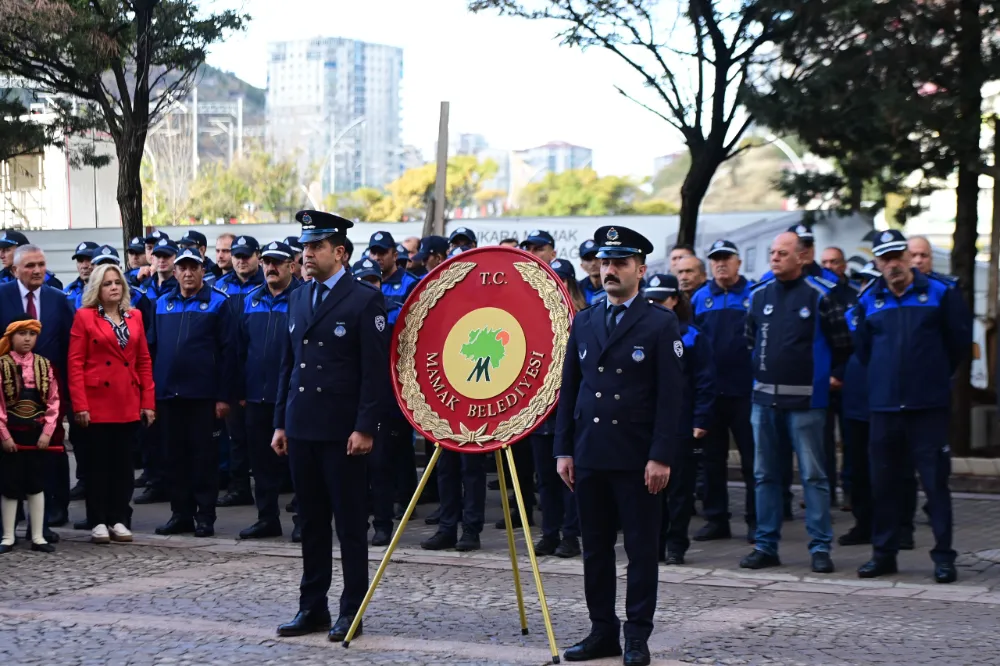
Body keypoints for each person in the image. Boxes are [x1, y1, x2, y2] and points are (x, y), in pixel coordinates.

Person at [555, 225, 683, 666]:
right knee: (595, 548)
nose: (610, 270)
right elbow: (569, 389)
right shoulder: (585, 320)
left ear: (640, 270)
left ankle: (637, 636)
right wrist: (563, 449)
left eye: (620, 263)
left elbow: (671, 397)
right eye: (605, 262)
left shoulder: (660, 323)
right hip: (591, 452)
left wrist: (661, 455)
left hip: (636, 456)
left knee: (641, 550)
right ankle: (602, 631)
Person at [273, 210, 390, 642]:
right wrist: (280, 423)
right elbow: (289, 366)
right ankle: (312, 606)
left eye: (316, 246)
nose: (306, 254)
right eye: (305, 246)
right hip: (303, 426)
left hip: (343, 432)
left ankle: (351, 610)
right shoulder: (298, 297)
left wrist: (366, 427)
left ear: (339, 252)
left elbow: (374, 372)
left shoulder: (363, 299)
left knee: (350, 525)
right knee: (311, 522)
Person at [853, 230, 970, 584]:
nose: (893, 264)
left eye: (897, 256)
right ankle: (884, 554)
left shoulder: (940, 292)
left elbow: (958, 343)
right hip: (885, 408)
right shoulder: (868, 299)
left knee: (935, 484)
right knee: (884, 484)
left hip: (927, 408)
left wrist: (931, 378)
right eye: (885, 259)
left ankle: (944, 557)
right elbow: (864, 351)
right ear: (877, 263)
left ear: (908, 257)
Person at [740, 231, 853, 574]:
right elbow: (750, 340)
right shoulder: (758, 295)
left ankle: (820, 547)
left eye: (783, 253)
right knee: (765, 476)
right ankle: (765, 546)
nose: (775, 258)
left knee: (814, 477)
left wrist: (832, 377)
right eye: (772, 252)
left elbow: (843, 344)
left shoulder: (821, 295)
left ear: (802, 257)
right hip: (764, 401)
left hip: (807, 402)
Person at [150, 247, 236, 538]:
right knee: (174, 458)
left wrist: (223, 396)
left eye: (193, 268)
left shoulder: (219, 302)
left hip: (204, 397)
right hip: (168, 396)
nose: (188, 273)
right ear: (175, 272)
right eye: (183, 268)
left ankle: (205, 516)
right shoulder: (162, 303)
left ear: (203, 271)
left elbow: (229, 353)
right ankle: (181, 514)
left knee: (204, 459)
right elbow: (152, 349)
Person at [68, 263, 154, 545]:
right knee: (98, 466)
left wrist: (148, 401)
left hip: (127, 399)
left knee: (123, 466)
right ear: (97, 288)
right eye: (107, 283)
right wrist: (80, 405)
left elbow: (143, 361)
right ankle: (98, 520)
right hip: (96, 402)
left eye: (117, 282)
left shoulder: (135, 315)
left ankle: (119, 518)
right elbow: (75, 363)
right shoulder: (84, 317)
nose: (114, 287)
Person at [0, 245, 74, 539]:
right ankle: (9, 524)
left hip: (49, 393)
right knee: (9, 458)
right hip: (8, 394)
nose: (37, 270)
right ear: (14, 269)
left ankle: (48, 518)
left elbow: (69, 346)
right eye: (30, 265)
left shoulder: (58, 299)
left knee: (50, 454)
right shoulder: (2, 295)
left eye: (41, 264)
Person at [644, 274, 714, 565]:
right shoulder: (640, 332)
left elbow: (704, 381)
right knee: (649, 490)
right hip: (645, 424)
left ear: (674, 300)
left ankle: (676, 545)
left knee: (679, 490)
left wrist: (700, 419)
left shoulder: (692, 335)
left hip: (681, 423)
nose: (654, 304)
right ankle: (654, 544)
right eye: (649, 299)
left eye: (660, 300)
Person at [690, 239, 756, 543]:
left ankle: (756, 522)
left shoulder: (753, 294)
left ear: (738, 262)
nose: (721, 264)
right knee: (712, 461)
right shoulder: (700, 298)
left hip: (746, 392)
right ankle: (716, 519)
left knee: (752, 461)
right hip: (712, 394)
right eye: (716, 259)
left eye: (726, 259)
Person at [235, 241, 300, 541]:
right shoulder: (250, 299)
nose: (271, 268)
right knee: (261, 463)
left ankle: (304, 520)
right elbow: (239, 348)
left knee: (299, 464)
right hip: (257, 395)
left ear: (291, 266)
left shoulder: (302, 298)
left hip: (293, 396)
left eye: (277, 262)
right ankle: (266, 518)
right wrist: (239, 390)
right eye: (267, 262)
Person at [352, 258, 412, 546]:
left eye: (373, 281)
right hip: (353, 398)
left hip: (385, 400)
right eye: (364, 281)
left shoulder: (395, 311)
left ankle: (383, 524)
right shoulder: (347, 310)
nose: (369, 286)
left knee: (380, 466)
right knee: (354, 469)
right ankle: (357, 522)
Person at [0, 318, 61, 554]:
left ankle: (38, 536)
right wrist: (4, 435)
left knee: (37, 484)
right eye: (22, 333)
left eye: (32, 334)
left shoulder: (44, 365)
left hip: (37, 436)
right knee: (9, 484)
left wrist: (47, 432)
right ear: (11, 336)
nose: (27, 339)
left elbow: (53, 402)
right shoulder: (2, 365)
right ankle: (7, 536)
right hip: (11, 435)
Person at [838, 262, 880, 548]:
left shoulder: (885, 313)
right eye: (862, 281)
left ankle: (897, 526)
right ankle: (863, 524)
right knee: (857, 468)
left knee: (887, 468)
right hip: (853, 402)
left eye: (870, 281)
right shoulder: (852, 313)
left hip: (883, 402)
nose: (864, 286)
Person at [366, 231, 419, 300]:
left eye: (382, 252)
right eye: (373, 252)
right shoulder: (364, 281)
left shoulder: (410, 283)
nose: (376, 257)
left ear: (395, 256)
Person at [63, 242, 99, 307]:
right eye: (80, 260)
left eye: (89, 259)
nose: (84, 266)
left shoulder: (110, 289)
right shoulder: (67, 292)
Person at [577, 240, 605, 305]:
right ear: (582, 266)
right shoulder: (578, 289)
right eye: (588, 259)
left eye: (597, 257)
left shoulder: (615, 284)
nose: (593, 263)